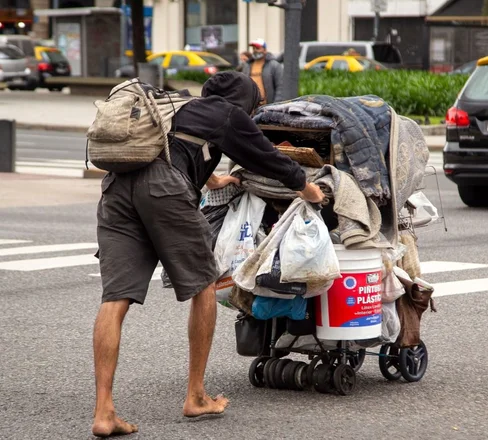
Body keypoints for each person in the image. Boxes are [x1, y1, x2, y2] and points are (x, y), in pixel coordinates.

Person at [91, 71, 324, 437]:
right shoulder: (229, 113)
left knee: (115, 298)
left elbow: (176, 148)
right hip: (164, 190)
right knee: (204, 287)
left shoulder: (182, 107)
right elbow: (269, 159)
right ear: (245, 101)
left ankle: (104, 412)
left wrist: (213, 179)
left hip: (117, 190)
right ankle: (196, 396)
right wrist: (308, 189)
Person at [236, 38, 284, 105]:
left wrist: (276, 104)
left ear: (265, 50)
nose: (255, 50)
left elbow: (280, 87)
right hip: (251, 106)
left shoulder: (274, 65)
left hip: (268, 106)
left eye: (258, 48)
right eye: (253, 48)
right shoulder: (247, 65)